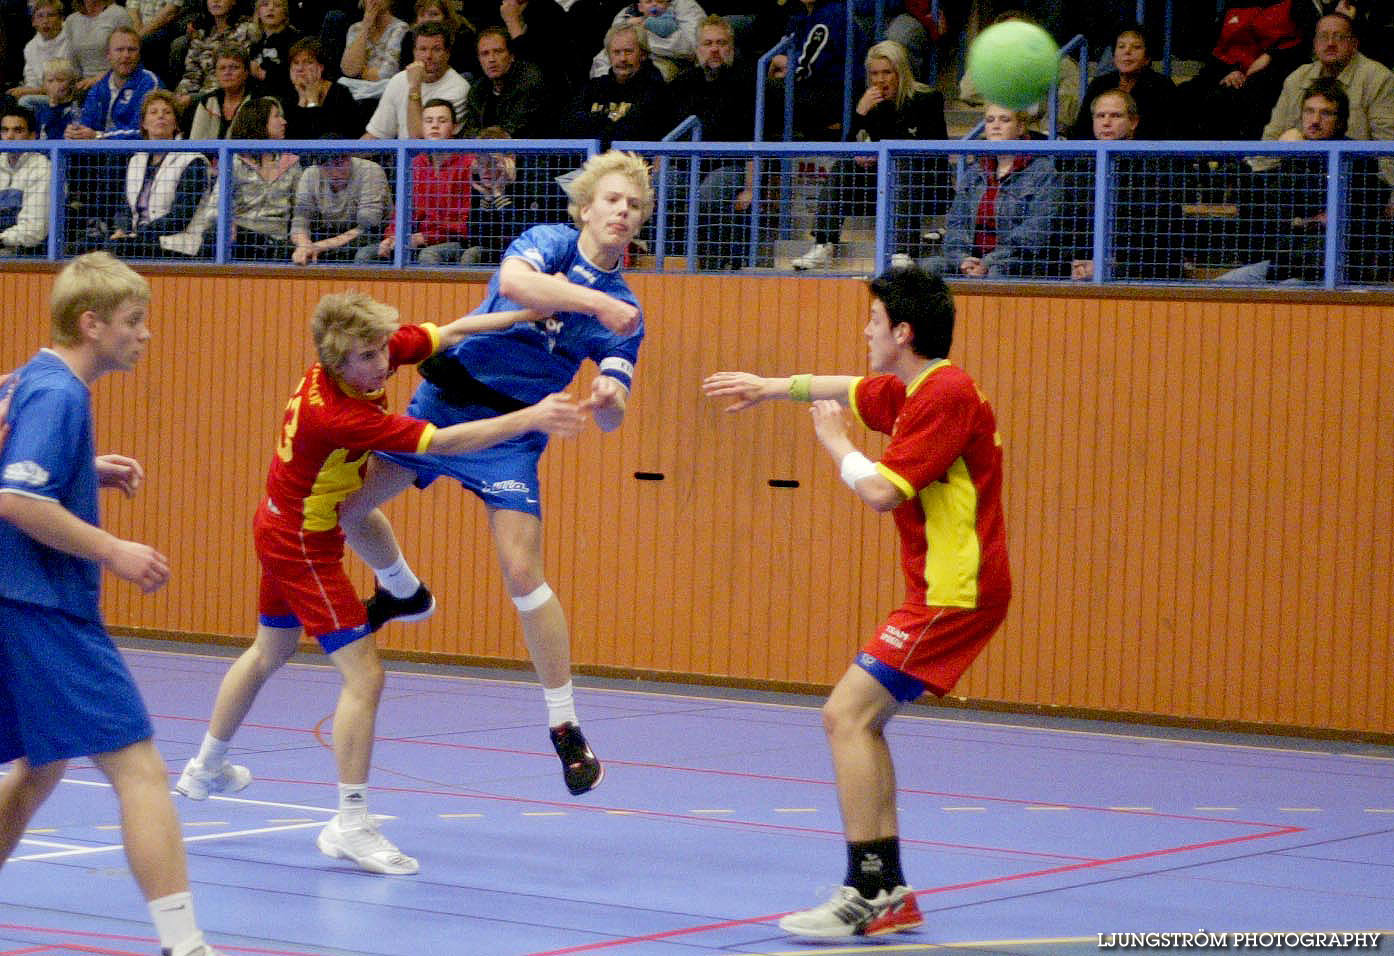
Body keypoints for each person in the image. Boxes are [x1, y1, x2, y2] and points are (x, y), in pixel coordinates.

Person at [174, 291, 588, 877]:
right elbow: (442, 444)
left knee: (270, 649)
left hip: (279, 519)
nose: (383, 365)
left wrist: (523, 314)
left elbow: (454, 330)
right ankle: (350, 822)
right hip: (301, 541)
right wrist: (532, 417)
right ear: (338, 364)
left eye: (380, 352)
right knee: (365, 676)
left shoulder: (364, 355)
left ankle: (204, 767)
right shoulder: (339, 412)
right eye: (368, 359)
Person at [701, 265, 1009, 940]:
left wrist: (835, 444)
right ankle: (886, 886)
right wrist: (770, 388)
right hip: (944, 588)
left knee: (845, 716)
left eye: (873, 322)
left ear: (901, 331)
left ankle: (867, 890)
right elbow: (851, 387)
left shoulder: (944, 394)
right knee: (860, 724)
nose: (864, 331)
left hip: (953, 592)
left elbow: (882, 493)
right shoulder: (920, 385)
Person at [336, 149, 654, 797]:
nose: (625, 211)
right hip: (448, 402)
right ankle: (401, 589)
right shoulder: (549, 245)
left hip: (513, 434)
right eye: (615, 200)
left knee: (521, 570)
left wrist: (606, 404)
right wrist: (592, 304)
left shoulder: (626, 313)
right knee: (347, 510)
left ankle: (564, 726)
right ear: (587, 209)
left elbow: (617, 404)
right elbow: (516, 287)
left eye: (636, 205)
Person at [0, 251, 226, 956]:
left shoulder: (29, 380)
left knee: (41, 766)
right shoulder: (60, 394)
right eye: (134, 322)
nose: (145, 335)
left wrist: (80, 469)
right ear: (91, 324)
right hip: (40, 606)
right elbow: (17, 499)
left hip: (18, 601)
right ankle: (183, 944)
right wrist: (113, 549)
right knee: (140, 768)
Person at [791, 39, 948, 272]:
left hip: (922, 183)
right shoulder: (870, 103)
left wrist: (884, 155)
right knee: (845, 165)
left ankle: (902, 250)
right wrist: (860, 114)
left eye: (887, 72)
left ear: (901, 72)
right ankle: (824, 244)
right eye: (875, 73)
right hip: (878, 185)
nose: (880, 80)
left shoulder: (927, 99)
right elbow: (847, 147)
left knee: (899, 161)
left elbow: (936, 152)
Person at [1222, 77, 1390, 281]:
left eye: (1326, 113)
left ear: (1341, 120)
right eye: (1309, 111)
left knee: (1286, 291)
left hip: (1323, 272)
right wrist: (1285, 154)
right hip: (1282, 263)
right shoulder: (1293, 155)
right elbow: (1275, 211)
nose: (1315, 120)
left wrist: (1303, 219)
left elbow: (1348, 216)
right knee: (1223, 284)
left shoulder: (1357, 159)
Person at [930, 103, 1061, 279]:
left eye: (1004, 120)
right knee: (927, 267)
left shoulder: (1042, 171)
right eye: (990, 120)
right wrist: (962, 259)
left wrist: (989, 261)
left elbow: (1035, 230)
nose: (996, 125)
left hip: (1017, 260)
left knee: (996, 272)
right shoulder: (975, 171)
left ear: (1020, 127)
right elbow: (956, 223)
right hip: (971, 257)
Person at [670, 14, 757, 270]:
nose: (714, 50)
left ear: (731, 48)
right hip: (687, 167)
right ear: (698, 49)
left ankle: (711, 266)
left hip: (730, 167)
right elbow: (665, 138)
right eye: (708, 44)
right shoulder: (681, 84)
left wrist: (751, 188)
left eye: (721, 43)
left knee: (708, 193)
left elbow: (755, 141)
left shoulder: (746, 83)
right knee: (663, 187)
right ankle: (668, 261)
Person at [360, 97, 472, 264]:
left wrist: (425, 238)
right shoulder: (415, 163)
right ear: (422, 127)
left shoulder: (468, 163)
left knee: (428, 256)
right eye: (429, 121)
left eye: (442, 121)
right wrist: (391, 237)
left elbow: (466, 222)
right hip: (414, 238)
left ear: (455, 127)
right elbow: (402, 211)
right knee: (365, 255)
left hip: (454, 240)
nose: (435, 125)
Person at [1173, 0, 1307, 140]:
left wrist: (1271, 55)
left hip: (1272, 71)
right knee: (1184, 93)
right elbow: (1218, 48)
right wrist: (1230, 70)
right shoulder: (1232, 5)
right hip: (1230, 69)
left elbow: (1303, 44)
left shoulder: (1296, 5)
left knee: (1225, 98)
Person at [1259, 13, 1394, 151]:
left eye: (1339, 37)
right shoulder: (1297, 78)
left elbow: (1388, 144)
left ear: (1354, 44)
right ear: (1315, 43)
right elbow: (1273, 134)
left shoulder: (1379, 78)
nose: (1330, 43)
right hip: (1302, 168)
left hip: (1355, 168)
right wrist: (1260, 172)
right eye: (1323, 37)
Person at [107, 90, 215, 259]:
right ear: (143, 123)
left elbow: (181, 216)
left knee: (117, 251)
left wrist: (139, 234)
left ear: (176, 123)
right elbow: (125, 207)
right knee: (93, 245)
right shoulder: (136, 160)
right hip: (137, 239)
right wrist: (123, 229)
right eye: (154, 112)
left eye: (167, 112)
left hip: (178, 242)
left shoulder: (193, 160)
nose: (161, 116)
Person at [560, 21, 672, 150]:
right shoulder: (593, 87)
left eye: (628, 52)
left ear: (643, 54)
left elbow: (635, 131)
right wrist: (611, 118)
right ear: (609, 56)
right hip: (592, 165)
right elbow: (568, 124)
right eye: (616, 52)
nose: (622, 58)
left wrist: (597, 121)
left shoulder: (657, 90)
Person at [766, 0, 867, 141]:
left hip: (836, 97)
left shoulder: (833, 14)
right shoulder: (800, 16)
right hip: (815, 90)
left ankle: (751, 154)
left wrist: (786, 65)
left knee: (763, 88)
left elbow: (804, 69)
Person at [362, 20, 468, 140]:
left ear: (447, 53)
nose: (428, 56)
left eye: (436, 49)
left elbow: (420, 140)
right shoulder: (398, 80)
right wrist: (348, 155)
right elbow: (377, 135)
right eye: (422, 49)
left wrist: (414, 87)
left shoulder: (458, 88)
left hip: (435, 157)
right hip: (400, 156)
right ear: (414, 52)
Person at [1067, 24, 1176, 140]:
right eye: (1121, 46)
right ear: (1113, 56)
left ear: (1147, 58)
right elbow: (1083, 128)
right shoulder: (1099, 84)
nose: (1127, 51)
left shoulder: (1162, 86)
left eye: (1136, 47)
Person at [228, 95, 301, 261]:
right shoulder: (235, 161)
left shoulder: (291, 162)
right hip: (240, 237)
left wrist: (299, 239)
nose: (284, 122)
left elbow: (300, 210)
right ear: (258, 121)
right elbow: (215, 206)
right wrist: (228, 226)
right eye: (276, 116)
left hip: (278, 240)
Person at [289, 149, 390, 264]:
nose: (334, 173)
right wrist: (304, 246)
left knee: (361, 254)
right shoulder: (310, 174)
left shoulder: (370, 171)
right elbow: (300, 219)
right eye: (326, 165)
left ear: (349, 158)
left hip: (371, 234)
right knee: (288, 251)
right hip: (331, 232)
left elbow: (368, 226)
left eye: (339, 164)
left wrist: (321, 246)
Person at [458, 25, 551, 138]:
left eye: (498, 51)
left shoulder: (529, 81)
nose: (491, 59)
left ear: (511, 56)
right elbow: (470, 131)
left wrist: (485, 138)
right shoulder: (478, 90)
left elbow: (517, 130)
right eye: (485, 54)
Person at [174, 0, 258, 115]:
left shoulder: (247, 30)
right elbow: (191, 72)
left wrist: (194, 99)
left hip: (229, 94)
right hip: (198, 96)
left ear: (233, 1)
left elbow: (239, 73)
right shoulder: (202, 33)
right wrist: (182, 95)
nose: (215, 1)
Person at [587, 0, 704, 81]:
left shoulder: (685, 6)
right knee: (601, 63)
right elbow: (613, 43)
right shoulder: (626, 13)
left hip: (665, 62)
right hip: (628, 59)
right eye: (648, 1)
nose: (654, 4)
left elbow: (693, 48)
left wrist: (641, 37)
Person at [282, 36, 359, 138]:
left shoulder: (339, 93)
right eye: (296, 63)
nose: (300, 68)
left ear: (321, 67)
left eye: (308, 62)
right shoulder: (290, 94)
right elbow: (293, 138)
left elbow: (322, 137)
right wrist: (302, 100)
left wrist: (312, 101)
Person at [0, 105, 51, 256]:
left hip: (29, 253)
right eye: (4, 130)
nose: (9, 136)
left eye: (18, 130)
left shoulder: (43, 168)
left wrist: (2, 239)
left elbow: (34, 229)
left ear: (32, 136)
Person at [8, 0, 72, 111]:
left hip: (66, 97)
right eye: (40, 16)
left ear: (61, 19)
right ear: (33, 22)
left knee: (26, 101)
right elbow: (31, 81)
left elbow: (66, 85)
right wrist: (22, 90)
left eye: (51, 15)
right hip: (42, 95)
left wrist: (32, 91)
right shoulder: (30, 47)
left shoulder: (71, 41)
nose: (45, 21)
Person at [62, 0, 134, 94]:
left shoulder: (119, 15)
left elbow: (129, 57)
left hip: (114, 81)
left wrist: (97, 79)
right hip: (83, 86)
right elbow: (72, 62)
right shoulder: (71, 20)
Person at [188, 42, 253, 138]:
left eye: (234, 68)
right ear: (216, 74)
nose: (227, 73)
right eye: (222, 68)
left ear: (246, 72)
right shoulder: (207, 102)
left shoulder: (259, 101)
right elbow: (195, 144)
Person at [246, 0, 305, 102]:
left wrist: (263, 74)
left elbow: (298, 76)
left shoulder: (295, 40)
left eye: (277, 5)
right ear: (258, 13)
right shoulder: (255, 43)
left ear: (285, 14)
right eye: (265, 4)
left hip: (286, 99)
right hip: (257, 101)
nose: (271, 8)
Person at [34, 58, 82, 141]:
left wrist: (54, 106)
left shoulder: (77, 109)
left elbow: (58, 136)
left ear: (71, 83)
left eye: (60, 80)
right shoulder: (41, 111)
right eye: (50, 81)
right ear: (44, 84)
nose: (55, 85)